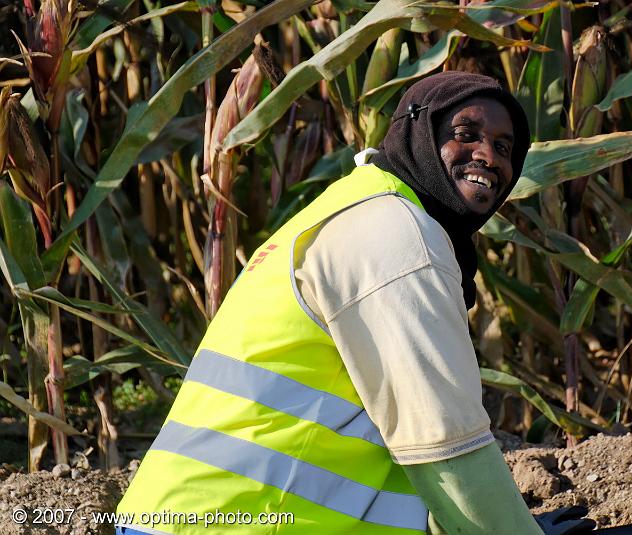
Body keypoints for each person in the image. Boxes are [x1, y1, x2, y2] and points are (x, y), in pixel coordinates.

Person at [115, 71, 594, 534]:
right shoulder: (395, 235)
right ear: (418, 131)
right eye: (466, 133)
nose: (488, 155)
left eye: (505, 147)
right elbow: (444, 443)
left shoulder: (356, 205)